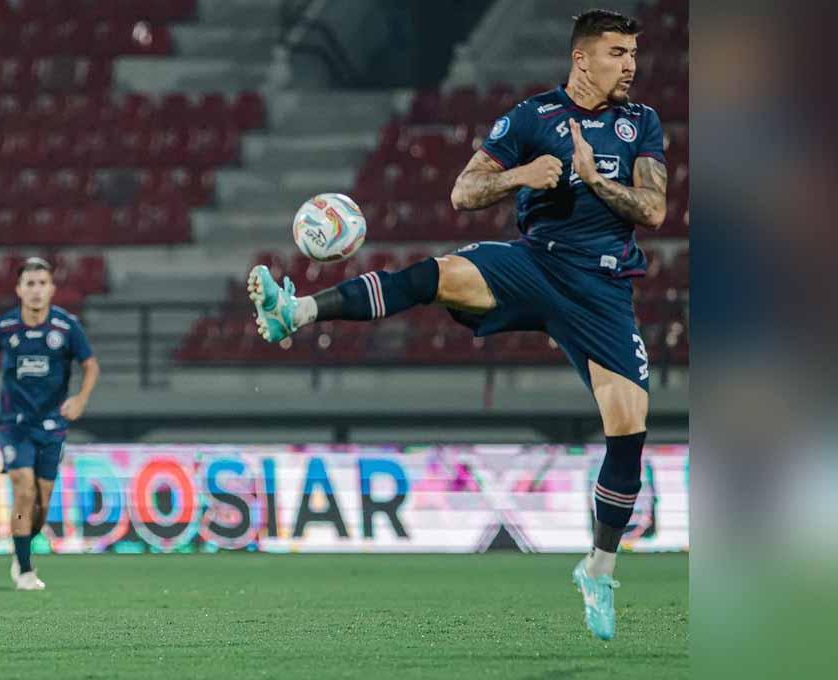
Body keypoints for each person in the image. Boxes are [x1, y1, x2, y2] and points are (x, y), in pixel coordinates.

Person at [247, 9, 666, 641]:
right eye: (617, 52)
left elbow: (654, 208)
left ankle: (598, 568)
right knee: (435, 274)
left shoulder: (642, 123)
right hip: (536, 263)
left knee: (628, 426)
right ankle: (296, 312)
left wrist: (592, 179)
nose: (630, 64)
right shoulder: (532, 118)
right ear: (582, 59)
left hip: (603, 289)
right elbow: (463, 193)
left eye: (633, 52)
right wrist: (523, 175)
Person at [0, 256, 99, 590]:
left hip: (53, 426)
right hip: (15, 425)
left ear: (52, 289)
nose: (37, 290)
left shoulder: (67, 327)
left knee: (41, 501)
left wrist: (81, 399)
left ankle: (22, 546)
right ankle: (25, 570)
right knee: (23, 490)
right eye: (30, 284)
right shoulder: (6, 326)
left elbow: (91, 365)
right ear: (19, 289)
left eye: (42, 283)